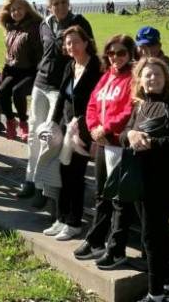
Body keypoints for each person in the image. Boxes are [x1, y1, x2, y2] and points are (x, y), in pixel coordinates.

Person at [17, 0, 94, 206]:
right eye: (55, 3)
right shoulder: (44, 24)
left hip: (59, 89)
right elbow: (42, 52)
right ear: (49, 6)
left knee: (49, 136)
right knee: (33, 133)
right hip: (40, 84)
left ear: (68, 2)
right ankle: (30, 179)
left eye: (63, 1)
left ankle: (43, 187)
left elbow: (88, 53)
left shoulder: (79, 22)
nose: (59, 6)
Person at [121, 57, 169, 302]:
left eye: (157, 75)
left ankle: (155, 293)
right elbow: (122, 135)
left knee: (150, 236)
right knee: (158, 234)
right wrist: (131, 134)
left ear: (165, 79)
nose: (153, 79)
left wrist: (149, 143)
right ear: (140, 80)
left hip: (164, 181)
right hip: (139, 178)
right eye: (148, 75)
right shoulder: (138, 106)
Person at [73, 35, 135, 264]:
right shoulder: (106, 76)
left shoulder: (132, 78)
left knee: (120, 198)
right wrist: (93, 128)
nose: (115, 57)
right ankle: (96, 239)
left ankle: (117, 248)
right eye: (111, 53)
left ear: (130, 54)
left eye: (121, 53)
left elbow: (128, 110)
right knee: (101, 195)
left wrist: (106, 129)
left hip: (118, 145)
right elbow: (91, 104)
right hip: (101, 143)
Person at [43, 25, 101, 240]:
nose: (71, 46)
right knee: (63, 173)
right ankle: (61, 218)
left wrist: (88, 129)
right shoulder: (70, 66)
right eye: (68, 43)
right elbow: (61, 98)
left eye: (76, 41)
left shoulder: (96, 67)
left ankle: (74, 222)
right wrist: (52, 123)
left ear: (86, 42)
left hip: (85, 130)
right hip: (67, 128)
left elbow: (98, 102)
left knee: (75, 176)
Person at [0, 0, 42, 141]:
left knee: (17, 92)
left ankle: (23, 122)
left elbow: (38, 53)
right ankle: (11, 121)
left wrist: (40, 74)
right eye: (13, 10)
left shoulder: (35, 28)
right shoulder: (10, 29)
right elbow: (9, 55)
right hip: (13, 71)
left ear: (27, 9)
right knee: (2, 92)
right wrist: (4, 73)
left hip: (31, 71)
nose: (16, 12)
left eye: (20, 8)